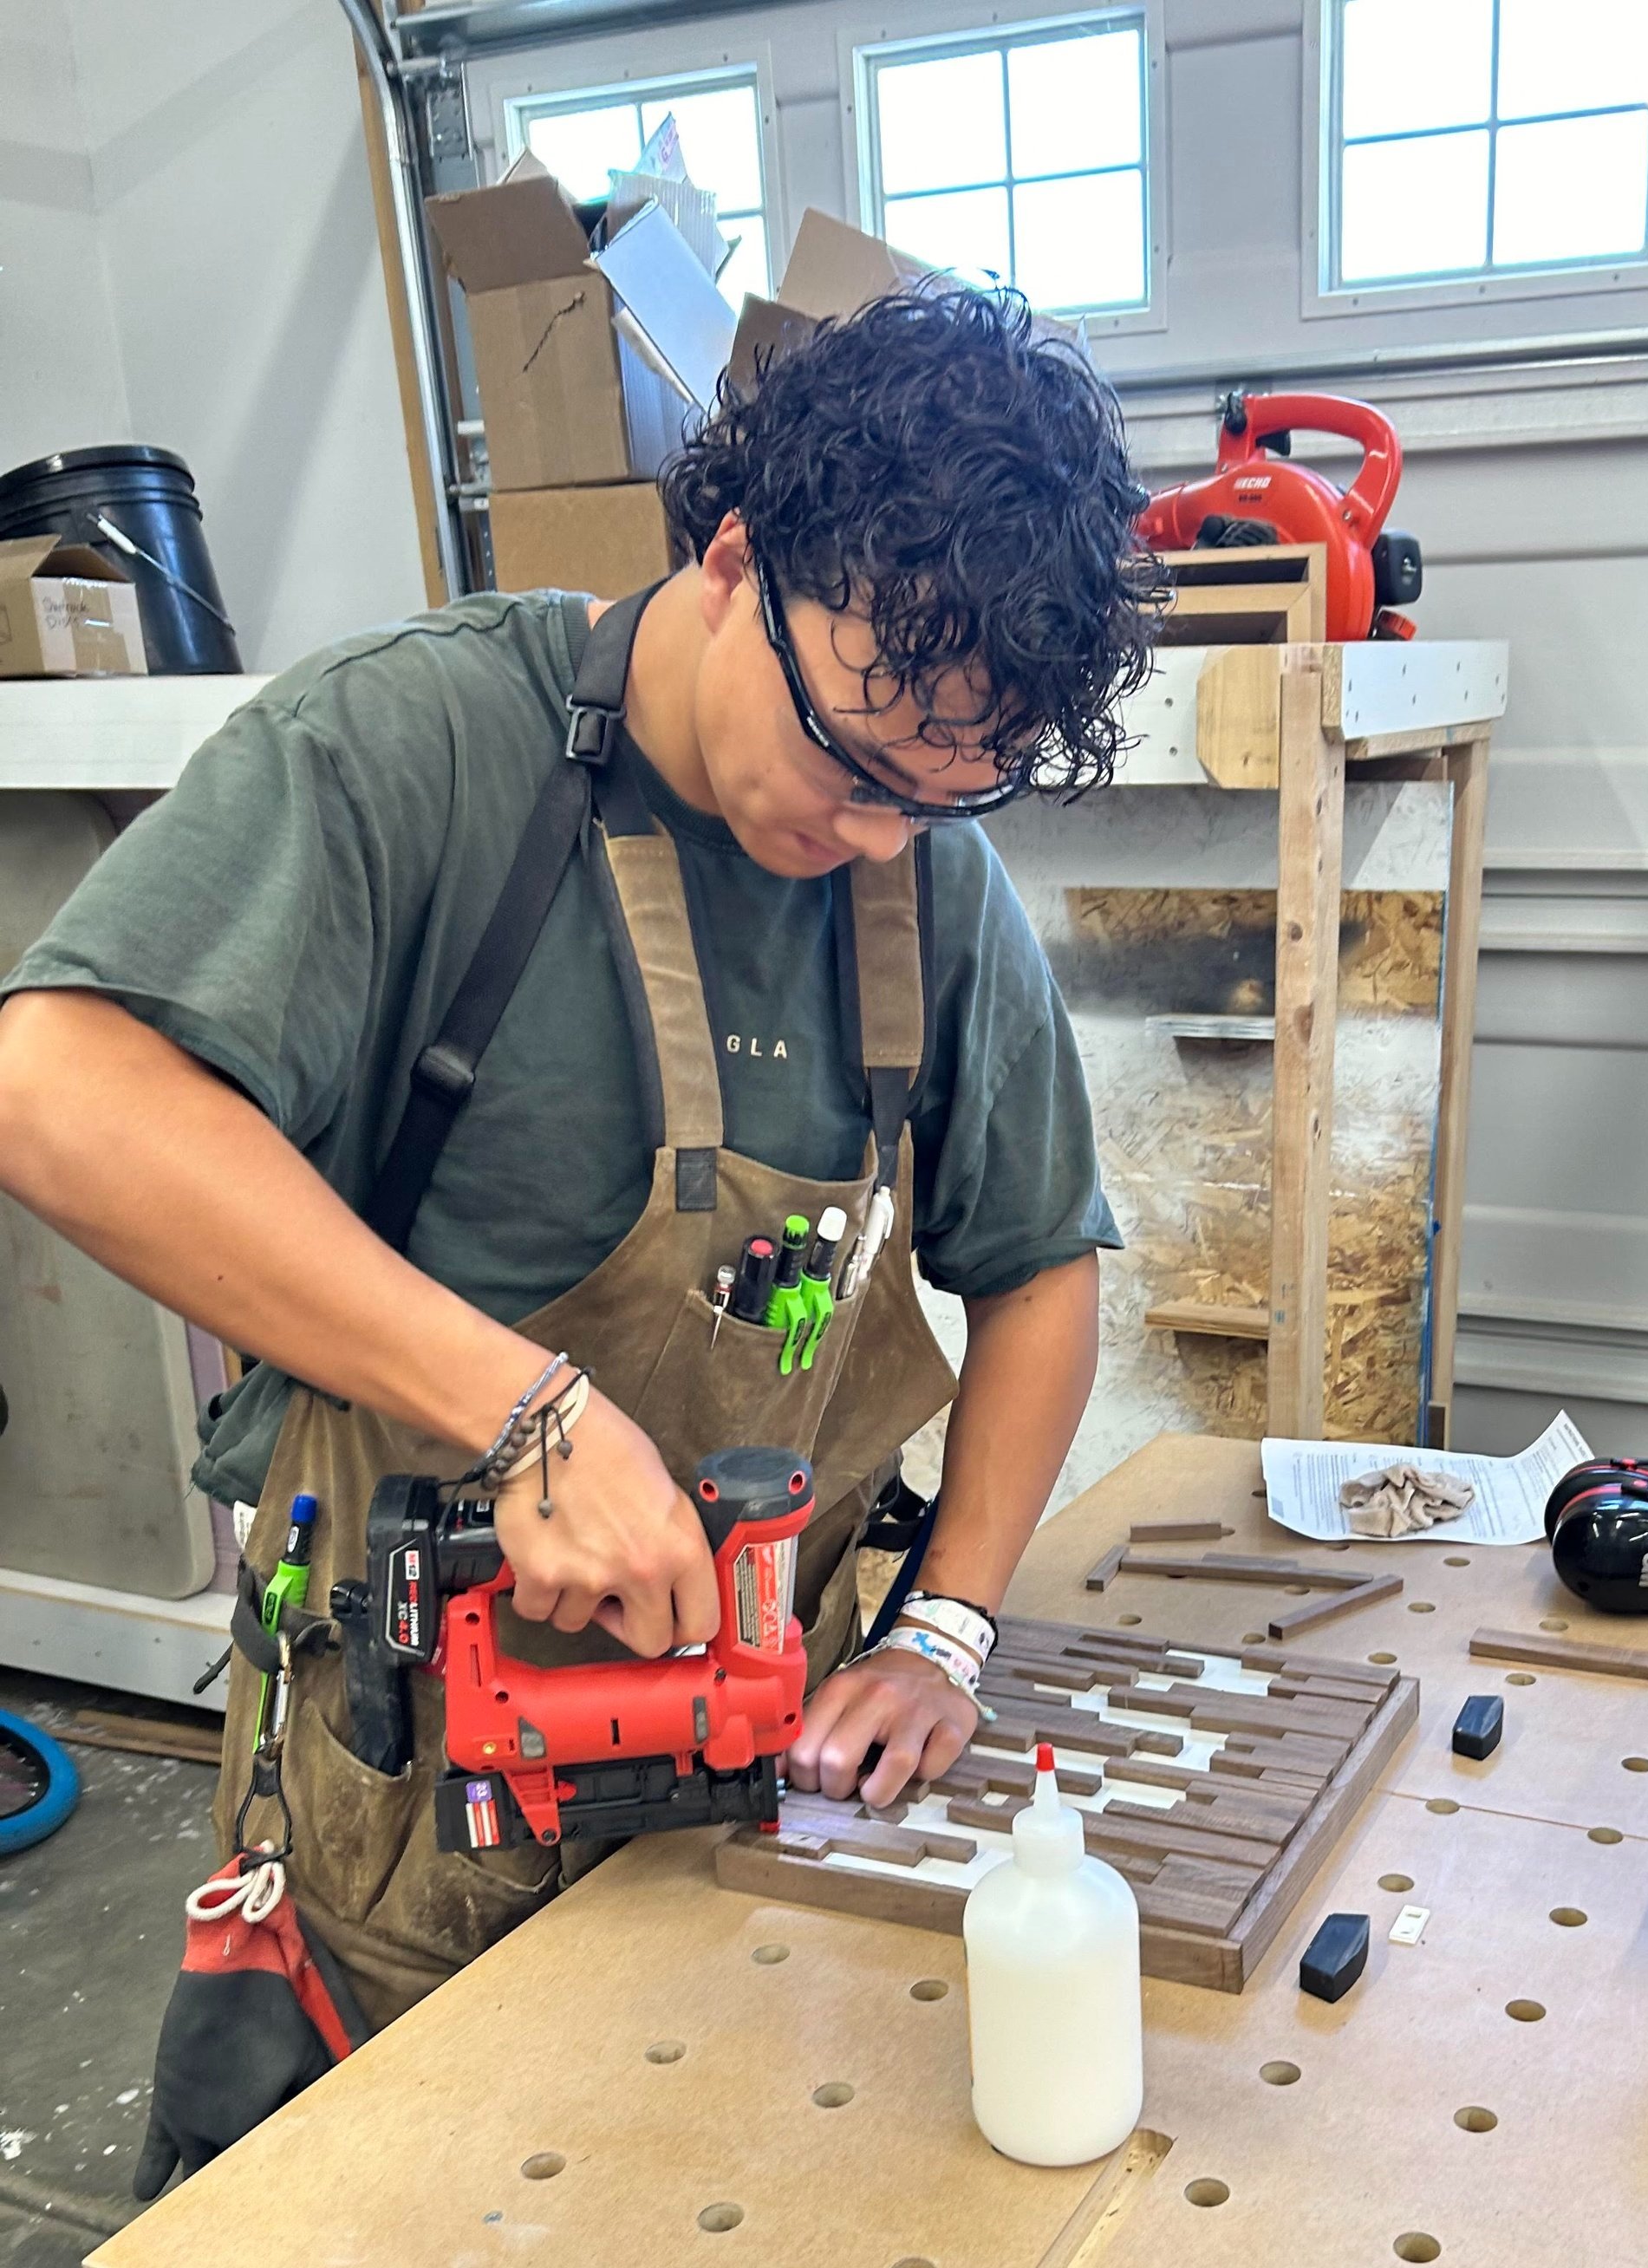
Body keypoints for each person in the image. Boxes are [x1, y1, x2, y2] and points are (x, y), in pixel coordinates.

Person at [0, 284, 1158, 2169]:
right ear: (734, 561)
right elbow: (55, 1086)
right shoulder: (417, 747)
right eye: (855, 766)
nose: (882, 840)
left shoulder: (924, 877)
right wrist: (524, 1414)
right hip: (417, 1772)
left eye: (944, 800)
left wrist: (943, 1630)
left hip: (762, 1773)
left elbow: (1037, 1265)